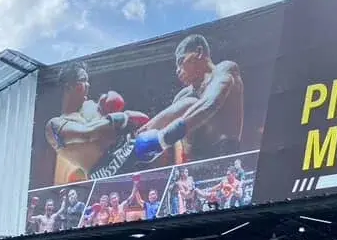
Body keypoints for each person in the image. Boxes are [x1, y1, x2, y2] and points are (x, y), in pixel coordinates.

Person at [133, 34, 244, 165]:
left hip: (225, 157)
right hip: (193, 163)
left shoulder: (225, 69)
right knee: (185, 102)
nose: (177, 71)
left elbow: (210, 103)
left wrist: (164, 137)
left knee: (190, 103)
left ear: (199, 52)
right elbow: (180, 145)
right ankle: (135, 139)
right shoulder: (183, 95)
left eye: (181, 62)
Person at [45, 62, 150, 183]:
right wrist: (123, 117)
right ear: (69, 87)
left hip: (127, 150)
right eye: (83, 80)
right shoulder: (54, 125)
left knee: (155, 135)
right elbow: (87, 133)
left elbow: (113, 132)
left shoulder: (91, 106)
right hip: (106, 171)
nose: (88, 85)